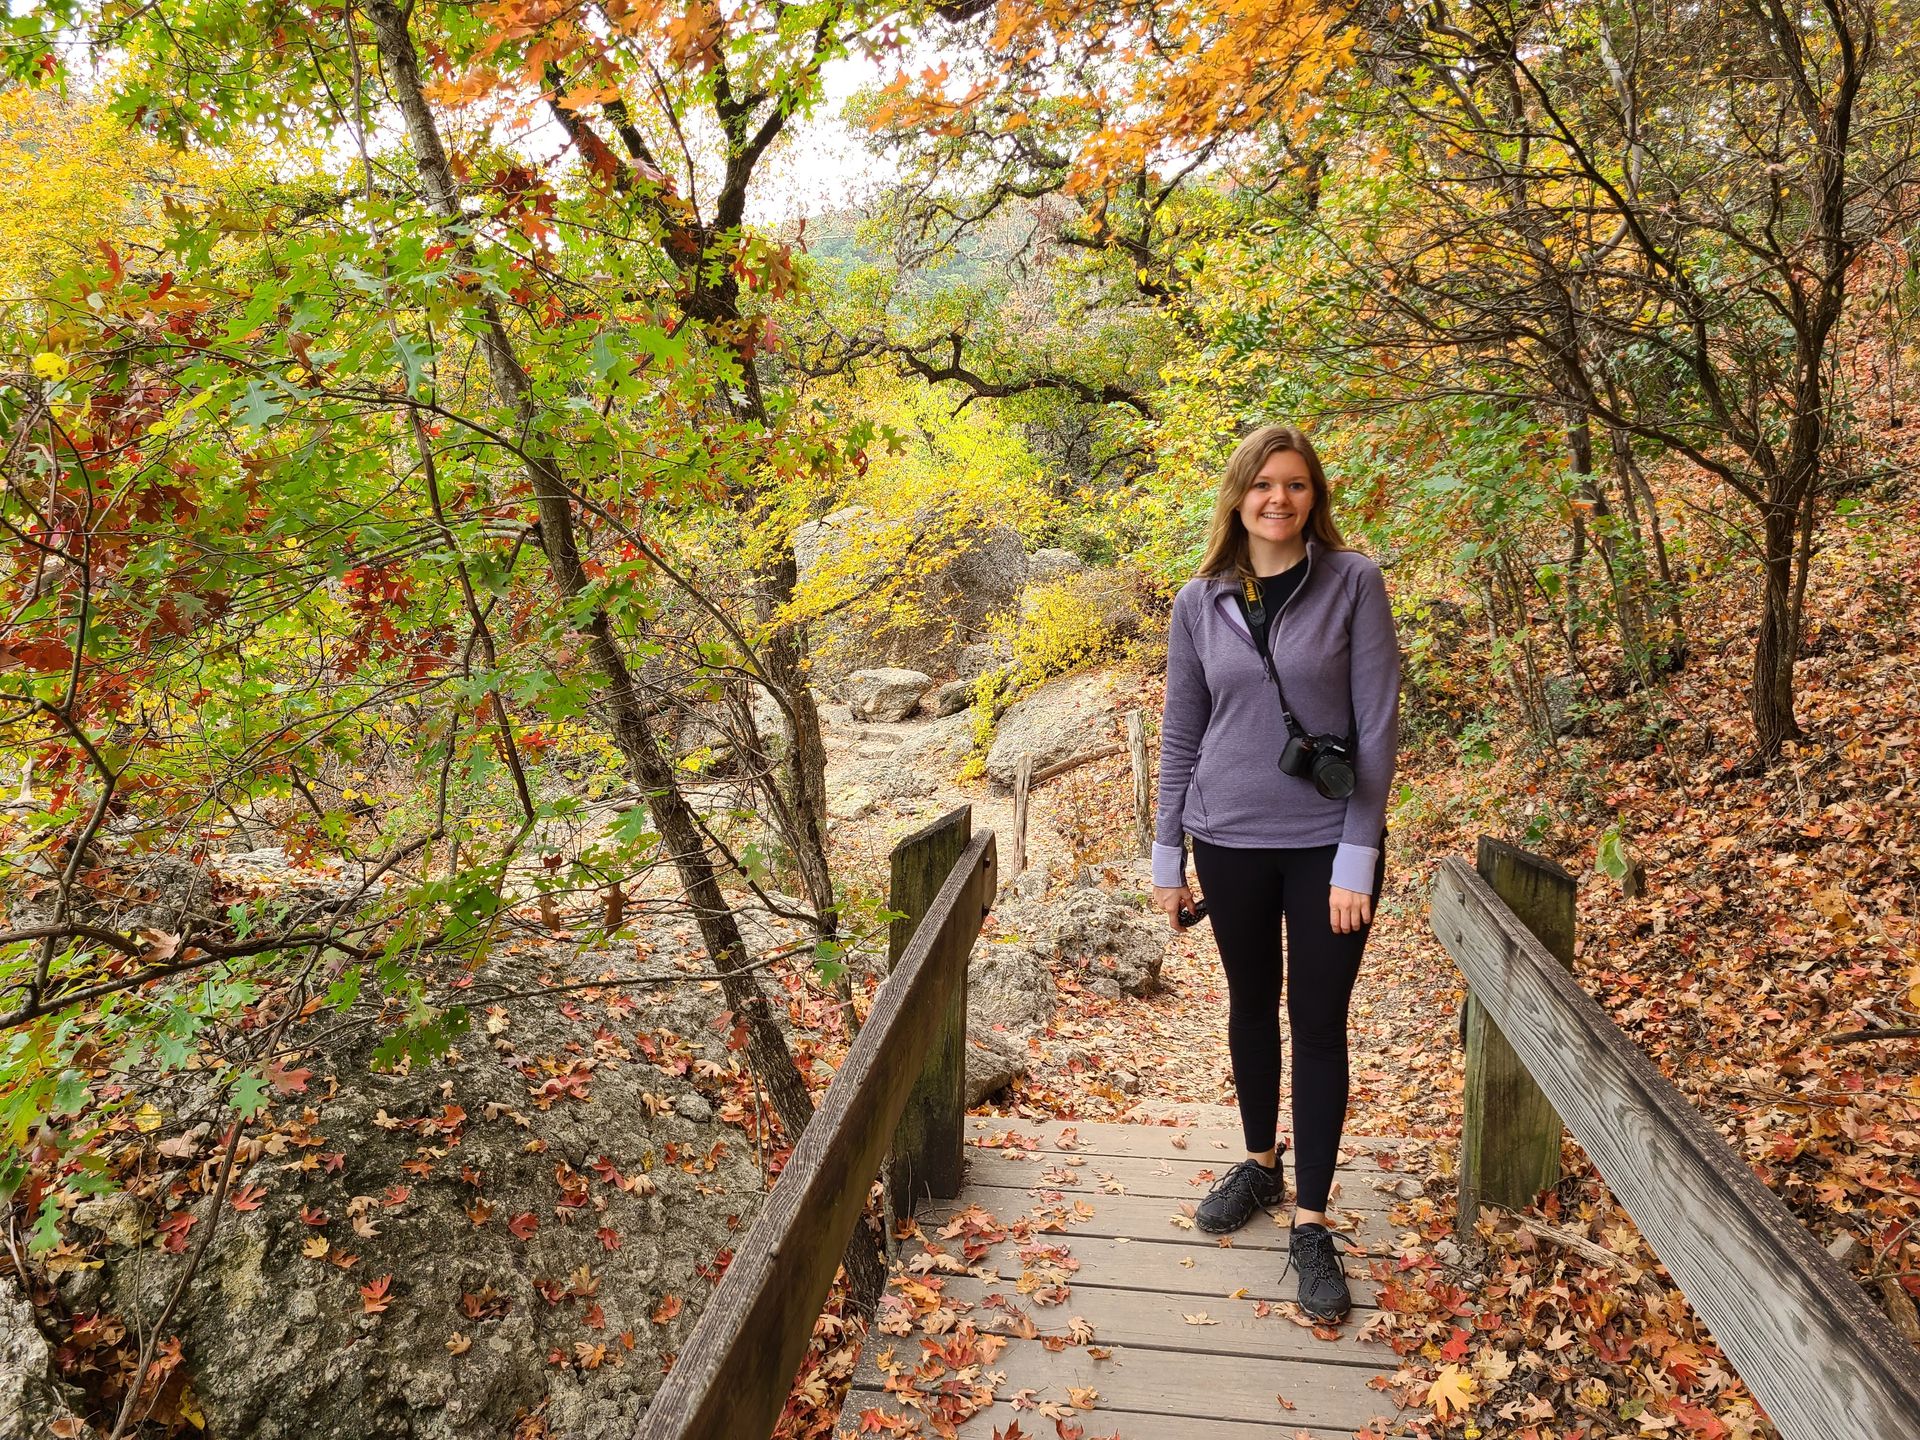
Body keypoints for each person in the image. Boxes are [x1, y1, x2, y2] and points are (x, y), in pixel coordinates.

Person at [1150, 423, 1401, 1322]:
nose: (1280, 499)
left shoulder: (1353, 584)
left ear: (1313, 497)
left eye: (1296, 485)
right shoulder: (1200, 599)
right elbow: (1182, 733)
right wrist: (1166, 853)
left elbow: (1376, 728)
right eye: (1264, 484)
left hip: (1327, 845)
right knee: (1251, 1006)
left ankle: (1312, 1218)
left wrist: (1357, 856)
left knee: (1319, 1021)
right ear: (1238, 495)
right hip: (1227, 837)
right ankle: (1260, 1164)